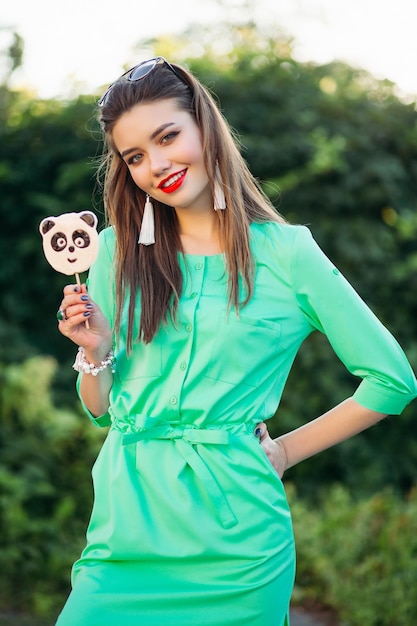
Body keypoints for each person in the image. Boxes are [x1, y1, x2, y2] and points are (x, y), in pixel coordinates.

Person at [54, 57, 417, 626]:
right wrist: (94, 351)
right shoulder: (113, 254)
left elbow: (392, 381)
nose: (158, 165)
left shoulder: (288, 254)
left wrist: (284, 451)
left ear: (204, 125)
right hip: (123, 537)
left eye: (168, 136)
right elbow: (101, 412)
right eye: (135, 156)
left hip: (240, 551)